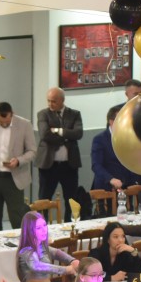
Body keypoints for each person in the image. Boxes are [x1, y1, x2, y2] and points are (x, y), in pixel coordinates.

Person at [0, 101, 37, 231]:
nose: (4, 124)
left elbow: (32, 151)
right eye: (1, 121)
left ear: (12, 114)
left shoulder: (24, 124)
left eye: (7, 121)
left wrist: (18, 161)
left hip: (13, 179)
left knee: (17, 219)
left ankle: (20, 243)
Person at [36, 87, 85, 222]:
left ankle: (70, 225)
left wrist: (59, 131)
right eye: (48, 101)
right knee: (44, 199)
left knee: (71, 199)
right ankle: (41, 226)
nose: (50, 104)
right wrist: (67, 137)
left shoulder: (74, 114)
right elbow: (45, 134)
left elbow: (78, 133)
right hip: (48, 165)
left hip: (69, 165)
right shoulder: (43, 114)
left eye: (54, 101)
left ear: (62, 100)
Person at [90, 104, 141, 203]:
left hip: (127, 187)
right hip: (107, 188)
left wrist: (135, 181)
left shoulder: (128, 137)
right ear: (111, 121)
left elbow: (132, 161)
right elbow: (96, 165)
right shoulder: (100, 139)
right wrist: (111, 179)